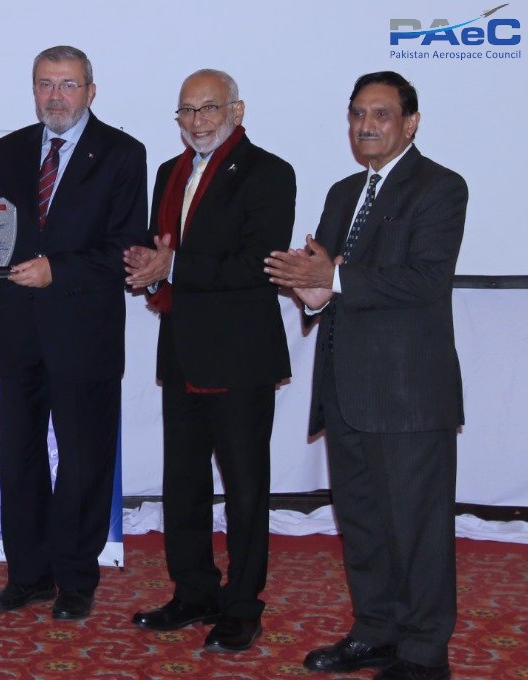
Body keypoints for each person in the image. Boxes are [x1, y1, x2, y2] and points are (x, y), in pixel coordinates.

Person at [265, 71, 465, 680]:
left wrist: (333, 279)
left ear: (411, 123)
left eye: (381, 114)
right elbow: (325, 283)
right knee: (363, 526)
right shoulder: (343, 191)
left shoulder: (440, 187)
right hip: (345, 391)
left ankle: (424, 653)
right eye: (357, 114)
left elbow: (427, 280)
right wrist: (311, 292)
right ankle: (376, 632)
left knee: (417, 531)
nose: (366, 125)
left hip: (408, 395)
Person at [0, 46, 148, 621]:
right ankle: (28, 576)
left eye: (67, 84)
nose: (55, 96)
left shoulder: (122, 152)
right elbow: (0, 232)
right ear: (33, 90)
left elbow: (126, 247)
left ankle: (76, 580)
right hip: (18, 330)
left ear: (91, 91)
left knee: (84, 464)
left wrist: (56, 270)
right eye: (45, 84)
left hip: (84, 334)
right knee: (19, 462)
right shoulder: (13, 148)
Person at [123, 69, 295, 652]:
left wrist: (171, 267)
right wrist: (149, 274)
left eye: (209, 108)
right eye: (187, 111)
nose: (197, 121)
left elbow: (257, 263)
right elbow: (161, 252)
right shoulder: (168, 172)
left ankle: (242, 606)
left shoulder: (270, 173)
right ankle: (193, 591)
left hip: (240, 356)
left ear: (236, 111)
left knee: (245, 491)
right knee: (183, 485)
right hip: (182, 351)